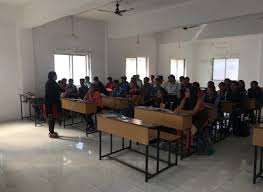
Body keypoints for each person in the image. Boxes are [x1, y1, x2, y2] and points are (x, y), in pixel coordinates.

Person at [176, 86, 211, 154]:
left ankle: (188, 148)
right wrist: (179, 110)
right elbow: (179, 110)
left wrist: (180, 111)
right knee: (179, 126)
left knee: (190, 130)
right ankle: (181, 143)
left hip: (200, 118)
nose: (185, 92)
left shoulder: (199, 100)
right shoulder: (184, 99)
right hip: (190, 117)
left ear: (192, 93)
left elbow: (194, 112)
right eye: (185, 91)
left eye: (187, 91)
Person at [45, 71, 61, 138]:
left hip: (51, 102)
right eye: (55, 75)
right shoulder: (51, 83)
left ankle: (51, 131)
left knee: (52, 117)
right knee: (52, 117)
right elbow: (53, 93)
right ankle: (51, 132)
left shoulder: (51, 82)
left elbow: (58, 89)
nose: (56, 76)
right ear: (53, 76)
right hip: (52, 103)